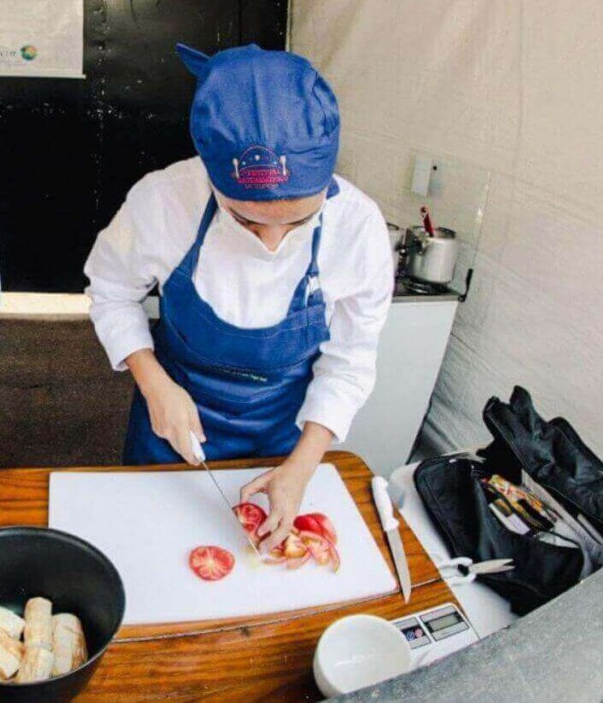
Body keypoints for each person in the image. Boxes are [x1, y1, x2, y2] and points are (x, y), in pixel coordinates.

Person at [84, 44, 393, 549]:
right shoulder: (164, 199)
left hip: (285, 432)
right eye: (246, 219)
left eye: (298, 221)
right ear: (210, 174)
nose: (271, 243)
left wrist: (302, 464)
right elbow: (112, 291)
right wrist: (153, 382)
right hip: (172, 419)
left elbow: (351, 360)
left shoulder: (358, 227)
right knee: (150, 550)